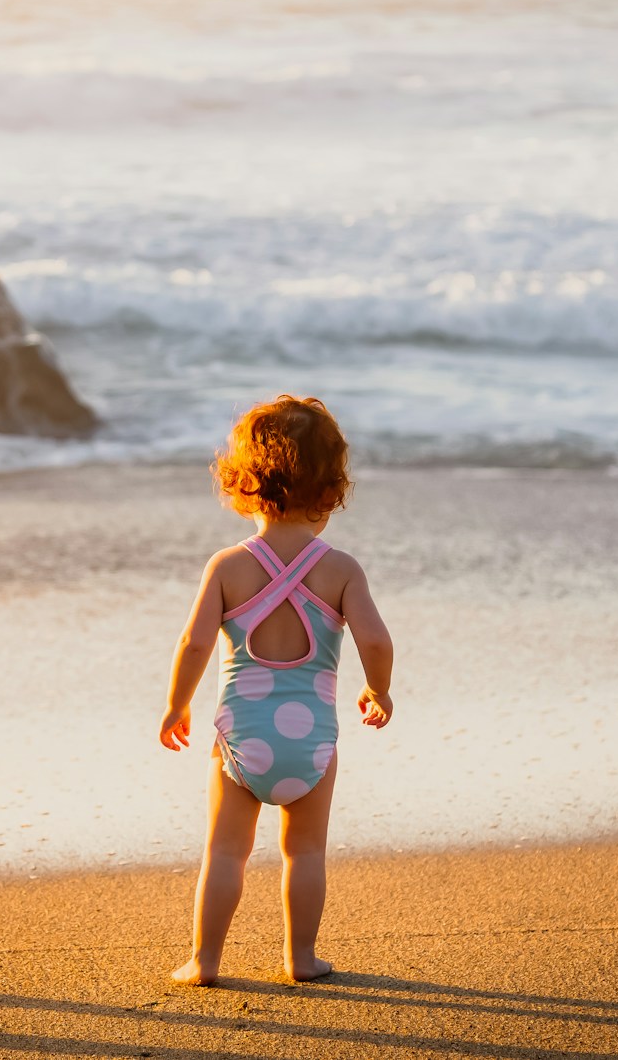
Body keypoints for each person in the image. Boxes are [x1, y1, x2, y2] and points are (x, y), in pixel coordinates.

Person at [157, 395, 395, 984]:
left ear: (244, 481)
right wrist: (378, 691)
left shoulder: (228, 566)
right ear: (331, 486)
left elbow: (193, 645)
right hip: (312, 739)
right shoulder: (340, 569)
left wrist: (176, 705)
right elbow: (377, 640)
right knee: (305, 852)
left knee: (225, 853)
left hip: (241, 737)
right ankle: (301, 958)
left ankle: (204, 961)